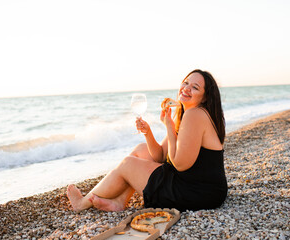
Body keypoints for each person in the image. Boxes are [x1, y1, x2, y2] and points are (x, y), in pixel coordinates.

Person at [67, 69, 227, 212]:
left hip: (199, 192)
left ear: (205, 97)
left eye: (195, 87)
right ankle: (119, 201)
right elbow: (161, 156)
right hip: (201, 185)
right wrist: (148, 132)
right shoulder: (189, 114)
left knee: (128, 164)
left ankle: (81, 204)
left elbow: (179, 164)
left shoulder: (195, 115)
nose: (186, 88)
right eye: (186, 82)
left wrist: (169, 128)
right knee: (140, 150)